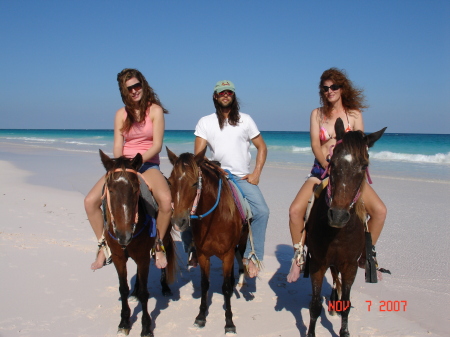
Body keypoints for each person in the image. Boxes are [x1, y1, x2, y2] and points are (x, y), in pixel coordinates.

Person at [287, 68, 387, 283]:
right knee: (295, 211)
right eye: (325, 88)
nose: (329, 91)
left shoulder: (354, 114)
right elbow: (315, 144)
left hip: (348, 176)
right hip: (321, 172)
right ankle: (299, 256)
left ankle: (366, 256)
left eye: (333, 87)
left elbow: (362, 148)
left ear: (342, 88)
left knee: (380, 211)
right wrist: (326, 165)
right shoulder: (317, 114)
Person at [84, 68, 172, 271]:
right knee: (90, 202)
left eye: (136, 85)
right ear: (124, 92)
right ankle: (103, 246)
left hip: (147, 163)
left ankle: (158, 245)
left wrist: (138, 162)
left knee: (166, 201)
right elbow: (117, 145)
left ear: (143, 84)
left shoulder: (155, 111)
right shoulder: (120, 114)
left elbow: (157, 145)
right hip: (123, 165)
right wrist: (120, 164)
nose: (134, 91)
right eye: (129, 88)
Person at [185, 80, 270, 278]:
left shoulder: (246, 120)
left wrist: (256, 173)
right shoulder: (205, 122)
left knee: (262, 212)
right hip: (214, 176)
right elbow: (198, 155)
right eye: (221, 92)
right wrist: (215, 169)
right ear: (215, 96)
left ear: (233, 96)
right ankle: (193, 249)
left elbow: (262, 147)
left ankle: (251, 255)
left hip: (240, 178)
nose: (225, 95)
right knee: (186, 207)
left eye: (229, 92)